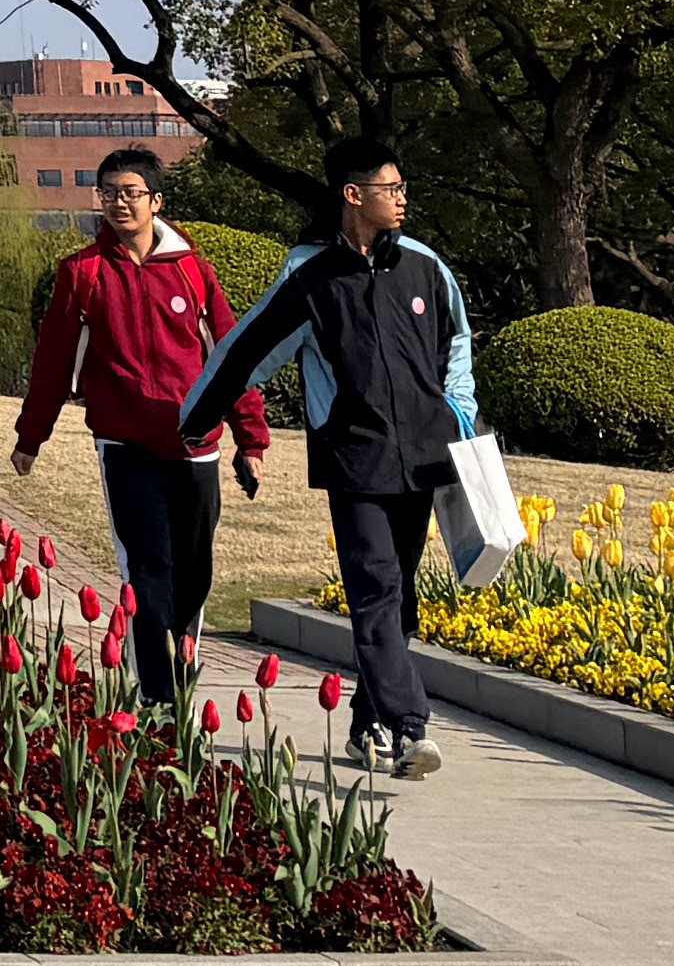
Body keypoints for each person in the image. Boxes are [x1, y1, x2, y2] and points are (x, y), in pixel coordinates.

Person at [180, 138, 481, 782]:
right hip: (354, 458)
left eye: (403, 188)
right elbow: (247, 349)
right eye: (390, 189)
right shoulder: (311, 279)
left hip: (423, 459)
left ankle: (366, 725)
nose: (402, 199)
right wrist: (197, 419)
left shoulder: (426, 267)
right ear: (353, 195)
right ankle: (408, 728)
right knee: (374, 590)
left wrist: (456, 409)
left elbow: (457, 342)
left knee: (399, 604)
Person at [9, 150, 269, 708]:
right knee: (148, 568)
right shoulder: (82, 273)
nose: (118, 202)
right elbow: (53, 359)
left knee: (193, 574)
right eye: (108, 192)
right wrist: (33, 436)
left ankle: (182, 666)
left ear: (156, 202)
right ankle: (159, 695)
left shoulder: (194, 271)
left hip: (194, 445)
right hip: (125, 445)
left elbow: (231, 356)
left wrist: (251, 437)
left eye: (130, 192)